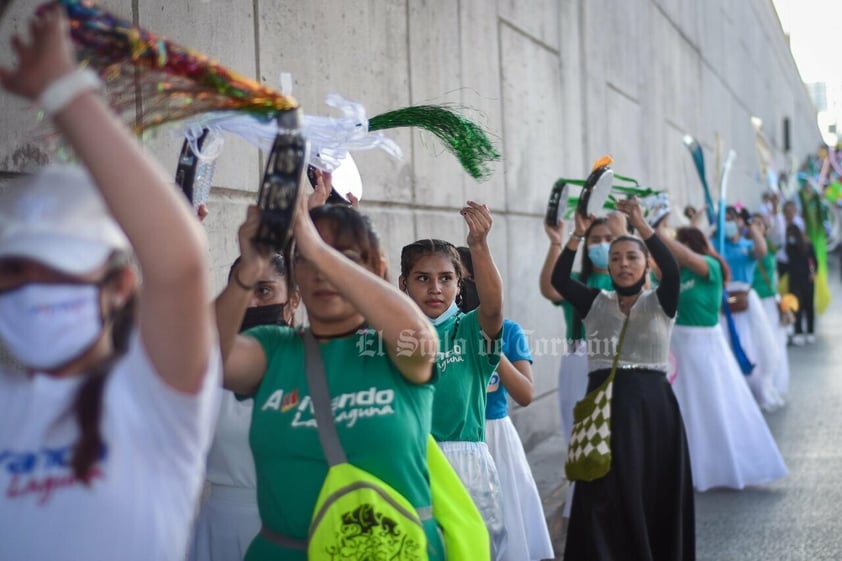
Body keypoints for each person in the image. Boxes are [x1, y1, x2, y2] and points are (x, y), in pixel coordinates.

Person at [0, 8, 220, 561]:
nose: (30, 290)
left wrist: (66, 91)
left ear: (120, 284)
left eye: (55, 270)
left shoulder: (155, 394)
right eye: (13, 272)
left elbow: (178, 263)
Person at [217, 197, 444, 561]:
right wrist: (249, 269)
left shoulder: (393, 350)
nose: (321, 272)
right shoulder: (273, 349)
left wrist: (313, 245)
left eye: (344, 258)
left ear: (377, 269)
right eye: (304, 259)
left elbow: (420, 340)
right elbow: (206, 360)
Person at [551, 197, 694, 561]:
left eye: (632, 257)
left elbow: (674, 271)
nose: (623, 264)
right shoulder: (594, 302)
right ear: (608, 267)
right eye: (616, 259)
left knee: (651, 489)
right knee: (603, 491)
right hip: (605, 413)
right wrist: (576, 236)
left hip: (653, 413)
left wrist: (641, 225)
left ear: (647, 264)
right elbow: (559, 279)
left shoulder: (662, 302)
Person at [400, 202, 507, 560]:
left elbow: (493, 308)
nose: (435, 288)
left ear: (459, 285)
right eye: (422, 278)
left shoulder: (469, 329)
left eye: (446, 278)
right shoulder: (389, 334)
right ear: (403, 283)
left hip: (466, 466)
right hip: (408, 464)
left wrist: (479, 245)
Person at [658, 224, 787, 491]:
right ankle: (688, 469)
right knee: (685, 412)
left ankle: (725, 466)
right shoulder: (673, 275)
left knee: (715, 408)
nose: (680, 251)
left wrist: (654, 230)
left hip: (705, 350)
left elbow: (690, 257)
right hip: (678, 351)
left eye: (684, 245)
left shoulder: (711, 268)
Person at [189, 253, 297, 561]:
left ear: (293, 299)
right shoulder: (206, 369)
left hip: (291, 525)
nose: (250, 304)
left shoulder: (311, 363)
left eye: (264, 291)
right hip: (217, 529)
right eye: (242, 290)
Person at [457, 247, 554, 561]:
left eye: (463, 280)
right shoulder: (430, 332)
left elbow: (525, 394)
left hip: (495, 437)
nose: (456, 289)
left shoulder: (509, 331)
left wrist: (489, 344)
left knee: (504, 526)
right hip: (448, 440)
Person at [538, 214, 620, 519]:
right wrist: (557, 242)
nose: (601, 245)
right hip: (578, 362)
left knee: (616, 434)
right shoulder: (575, 280)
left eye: (609, 238)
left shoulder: (625, 278)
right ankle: (585, 501)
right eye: (595, 240)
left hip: (615, 361)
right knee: (581, 433)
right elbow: (549, 288)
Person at [751, 213, 790, 395]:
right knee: (760, 345)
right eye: (754, 223)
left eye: (761, 223)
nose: (757, 226)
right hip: (753, 303)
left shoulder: (771, 246)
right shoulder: (746, 246)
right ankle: (762, 386)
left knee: (775, 343)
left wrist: (774, 210)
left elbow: (779, 235)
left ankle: (775, 384)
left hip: (770, 301)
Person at [783, 223, 817, 345]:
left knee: (809, 307)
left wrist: (813, 273)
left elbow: (814, 261)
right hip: (794, 280)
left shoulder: (808, 245)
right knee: (796, 307)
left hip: (807, 279)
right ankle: (798, 331)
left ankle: (810, 331)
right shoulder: (788, 247)